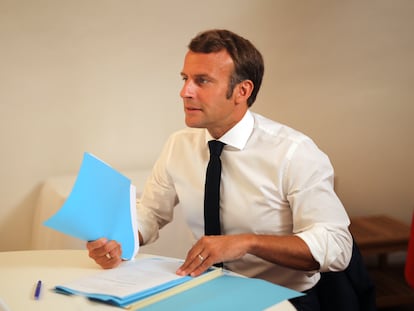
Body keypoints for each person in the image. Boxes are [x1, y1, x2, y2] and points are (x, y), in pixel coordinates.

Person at [87, 29, 353, 310]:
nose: (185, 92)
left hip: (281, 299)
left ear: (242, 91)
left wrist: (248, 243)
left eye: (202, 81)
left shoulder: (294, 153)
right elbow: (150, 212)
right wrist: (120, 240)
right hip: (208, 292)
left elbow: (337, 246)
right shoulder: (179, 145)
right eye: (185, 79)